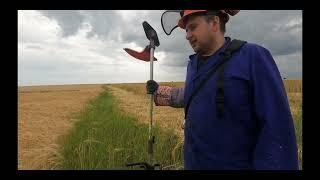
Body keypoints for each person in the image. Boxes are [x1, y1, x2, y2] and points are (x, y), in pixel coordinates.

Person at [146, 10, 299, 170]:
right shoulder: (193, 64)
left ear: (214, 23)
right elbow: (195, 96)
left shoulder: (252, 57)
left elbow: (277, 130)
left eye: (193, 27)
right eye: (186, 30)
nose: (188, 35)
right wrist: (158, 92)